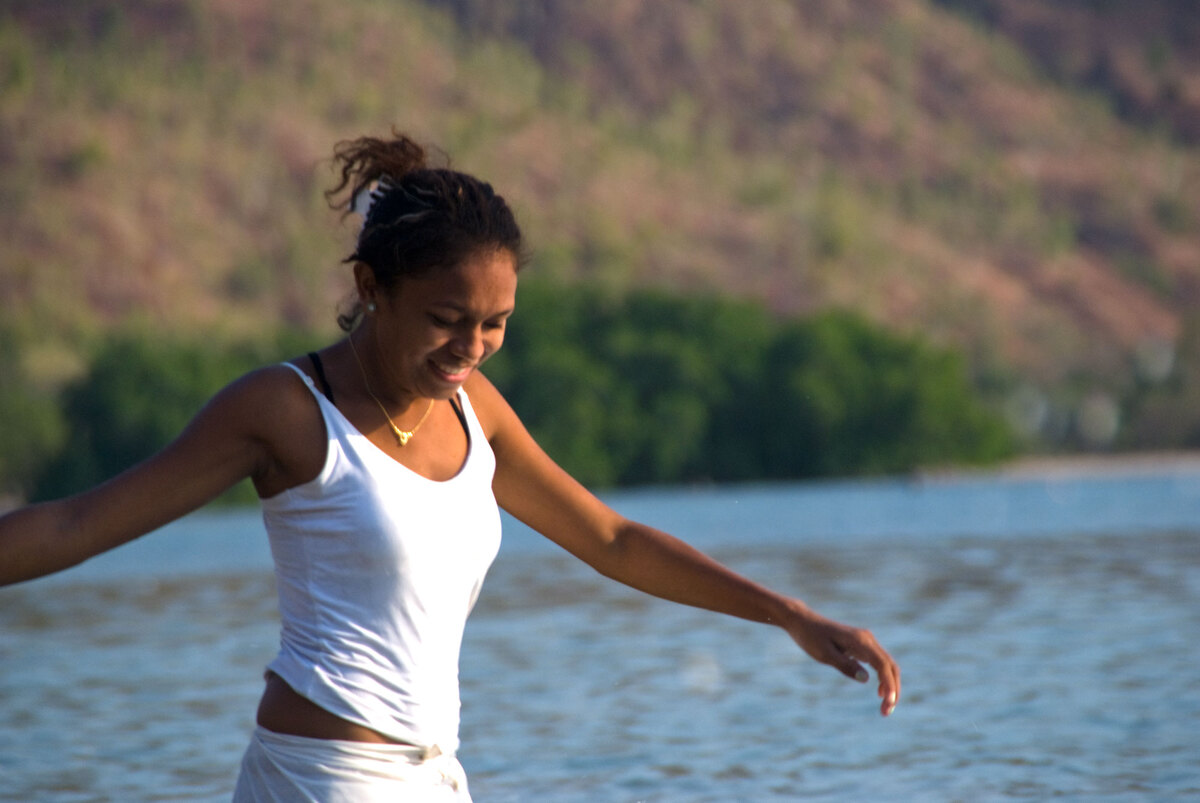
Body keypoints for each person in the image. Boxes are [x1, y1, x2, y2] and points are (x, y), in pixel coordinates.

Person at [0, 130, 899, 801]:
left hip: (438, 774)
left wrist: (790, 613)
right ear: (372, 291)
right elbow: (80, 522)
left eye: (496, 322)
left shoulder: (476, 412)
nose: (471, 345)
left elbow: (615, 540)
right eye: (446, 318)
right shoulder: (285, 409)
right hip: (328, 775)